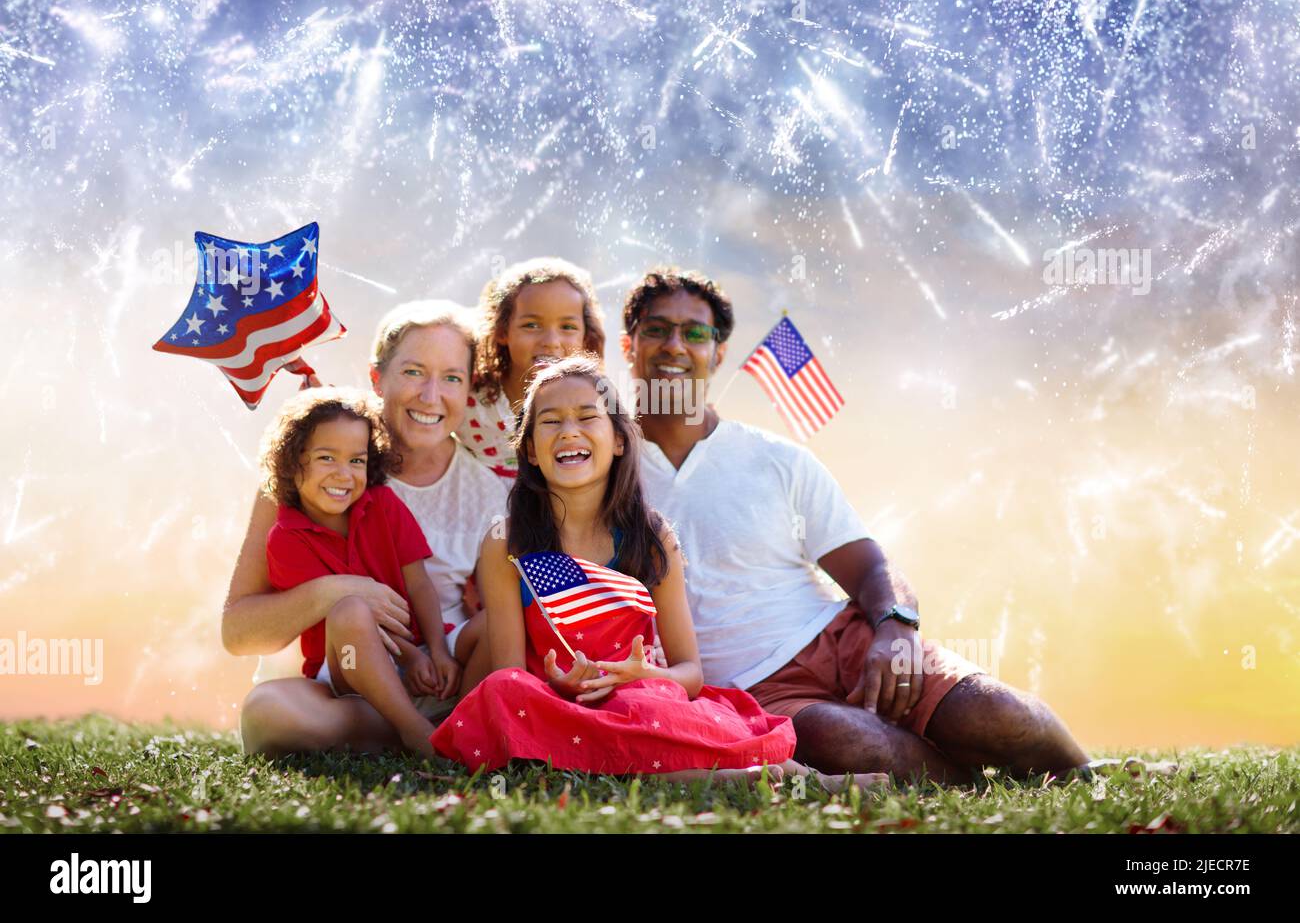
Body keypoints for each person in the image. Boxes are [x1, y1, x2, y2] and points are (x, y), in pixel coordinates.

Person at [620, 267, 1091, 785]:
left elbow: (869, 564)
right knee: (842, 739)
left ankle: (1088, 773)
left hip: (842, 640)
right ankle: (974, 787)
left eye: (695, 333)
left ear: (719, 352)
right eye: (657, 329)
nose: (675, 346)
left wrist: (895, 628)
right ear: (629, 345)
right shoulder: (606, 467)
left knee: (997, 715)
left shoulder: (776, 458)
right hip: (747, 690)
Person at [432, 355, 885, 790]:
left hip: (638, 699)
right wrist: (557, 683)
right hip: (553, 706)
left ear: (620, 440)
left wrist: (643, 675)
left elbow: (690, 671)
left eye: (588, 417)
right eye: (550, 422)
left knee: (647, 707)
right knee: (503, 692)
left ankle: (793, 776)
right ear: (530, 449)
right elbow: (511, 671)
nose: (569, 431)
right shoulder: (506, 542)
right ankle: (724, 777)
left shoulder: (651, 538)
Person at [226, 300, 508, 756]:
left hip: (438, 679)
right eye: (414, 372)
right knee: (269, 713)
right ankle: (420, 733)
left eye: (452, 378)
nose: (431, 395)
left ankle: (431, 726)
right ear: (377, 378)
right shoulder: (305, 474)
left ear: (469, 389)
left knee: (505, 624)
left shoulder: (486, 491)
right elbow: (238, 635)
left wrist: (436, 653)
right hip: (340, 681)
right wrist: (336, 591)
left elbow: (494, 619)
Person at [259, 386, 458, 759]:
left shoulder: (382, 504)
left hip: (415, 654)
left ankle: (469, 718)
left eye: (356, 461)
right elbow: (346, 622)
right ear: (291, 462)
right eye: (325, 458)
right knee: (350, 609)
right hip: (348, 667)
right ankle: (416, 732)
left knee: (487, 627)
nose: (343, 474)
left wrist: (436, 650)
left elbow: (419, 584)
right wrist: (410, 658)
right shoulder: (285, 538)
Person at [459, 257, 605, 479]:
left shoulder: (596, 405)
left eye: (567, 327)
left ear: (586, 336)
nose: (551, 341)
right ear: (502, 331)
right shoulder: (468, 400)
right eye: (532, 325)